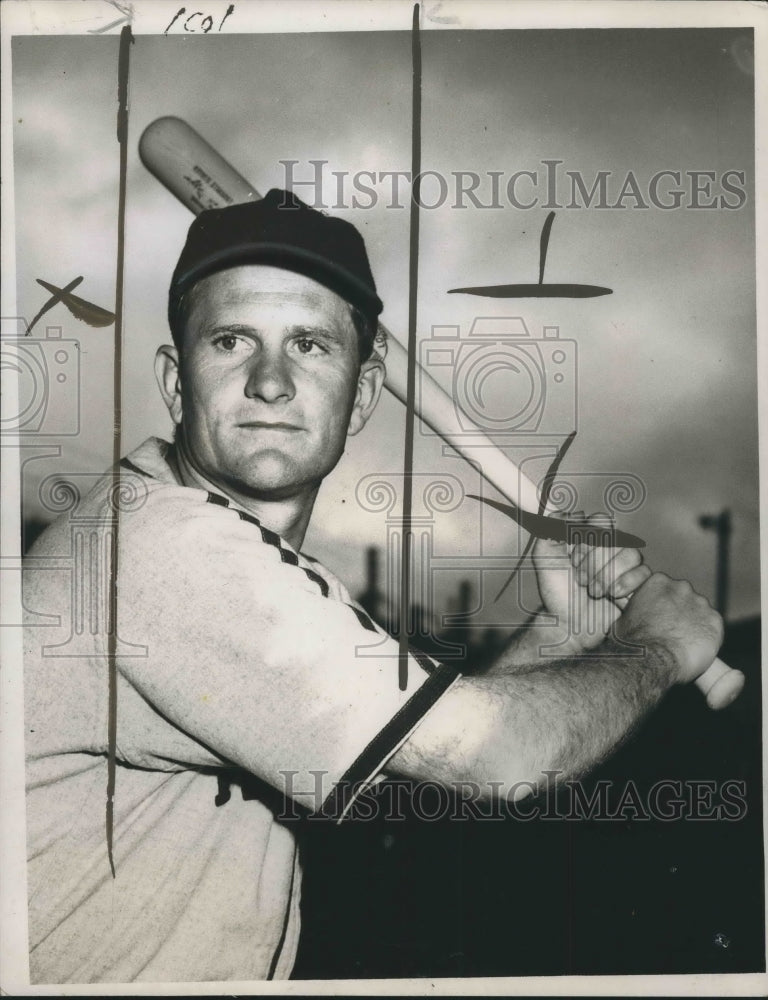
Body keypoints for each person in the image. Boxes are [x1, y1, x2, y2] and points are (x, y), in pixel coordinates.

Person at [22, 189, 723, 984]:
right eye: (231, 340)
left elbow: (418, 763)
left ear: (360, 396)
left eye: (311, 345)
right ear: (177, 382)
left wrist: (560, 637)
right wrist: (658, 648)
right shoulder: (159, 549)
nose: (271, 381)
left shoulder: (260, 566)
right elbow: (500, 759)